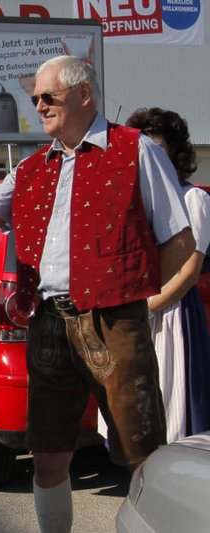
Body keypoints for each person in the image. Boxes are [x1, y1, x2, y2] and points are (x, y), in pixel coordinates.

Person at [0, 55, 194, 533]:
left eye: (49, 96)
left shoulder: (135, 149)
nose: (39, 105)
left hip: (113, 320)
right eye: (34, 99)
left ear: (85, 94)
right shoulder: (31, 168)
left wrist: (133, 298)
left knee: (140, 454)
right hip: (49, 322)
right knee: (48, 457)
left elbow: (180, 242)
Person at [126, 107, 210, 442]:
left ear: (174, 151)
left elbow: (189, 271)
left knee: (174, 413)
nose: (149, 155)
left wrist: (145, 307)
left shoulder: (193, 199)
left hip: (174, 315)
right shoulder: (135, 202)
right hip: (136, 315)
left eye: (157, 147)